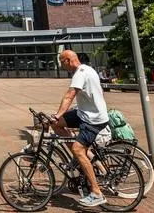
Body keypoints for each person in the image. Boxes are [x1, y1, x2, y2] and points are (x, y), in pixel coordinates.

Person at [50, 50, 110, 208]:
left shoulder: (80, 73)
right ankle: (79, 158)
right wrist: (57, 119)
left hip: (93, 119)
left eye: (62, 62)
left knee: (78, 149)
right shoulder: (87, 69)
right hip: (84, 114)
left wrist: (58, 114)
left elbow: (69, 95)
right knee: (55, 125)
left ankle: (97, 193)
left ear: (68, 61)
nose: (61, 65)